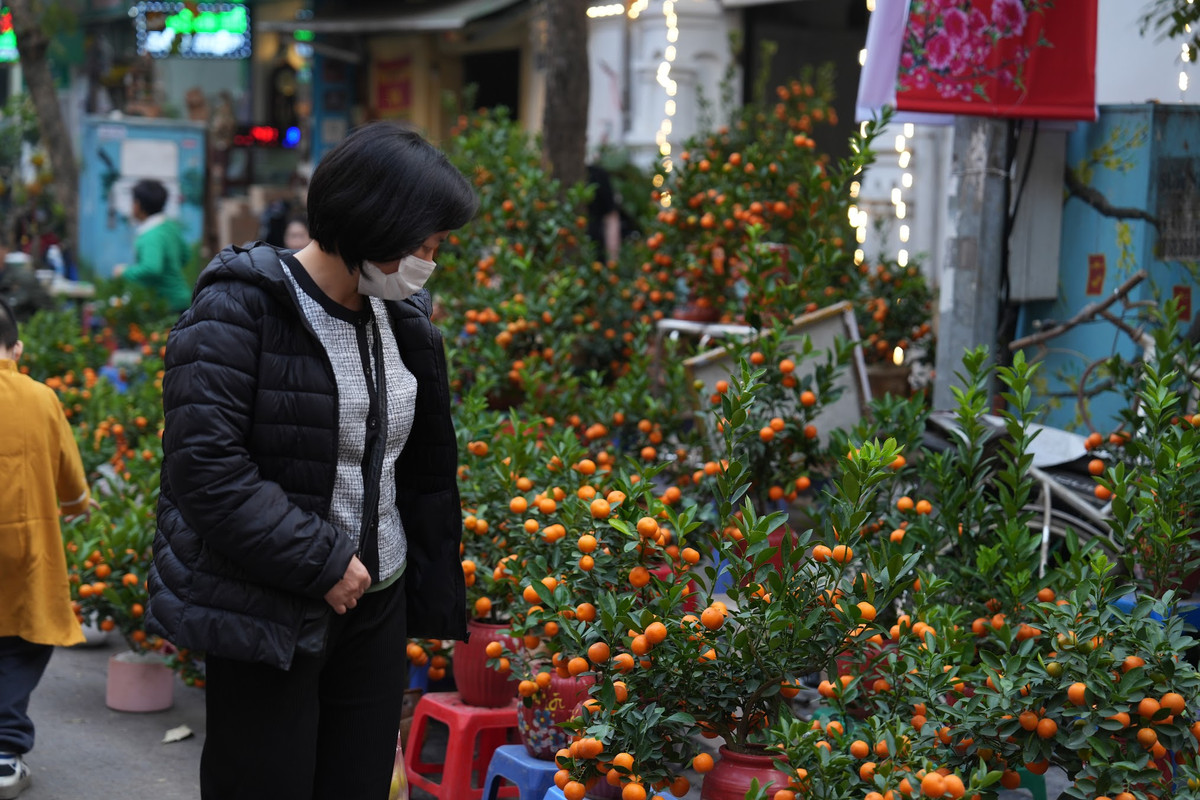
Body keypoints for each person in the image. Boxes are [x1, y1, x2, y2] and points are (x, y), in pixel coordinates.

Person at [145, 122, 477, 800]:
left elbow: (415, 470)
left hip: (376, 606)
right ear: (374, 225)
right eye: (422, 243)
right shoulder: (239, 308)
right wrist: (321, 562)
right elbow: (205, 466)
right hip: (274, 606)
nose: (429, 259)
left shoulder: (403, 322)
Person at [0, 297, 91, 799]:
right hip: (25, 545)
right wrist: (79, 503)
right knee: (22, 642)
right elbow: (69, 474)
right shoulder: (40, 397)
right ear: (16, 347)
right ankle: (4, 750)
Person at [113, 179, 193, 313]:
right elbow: (186, 255)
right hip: (181, 298)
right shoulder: (169, 226)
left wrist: (123, 271)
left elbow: (151, 268)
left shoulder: (151, 234)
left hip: (166, 304)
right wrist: (169, 268)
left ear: (138, 205)